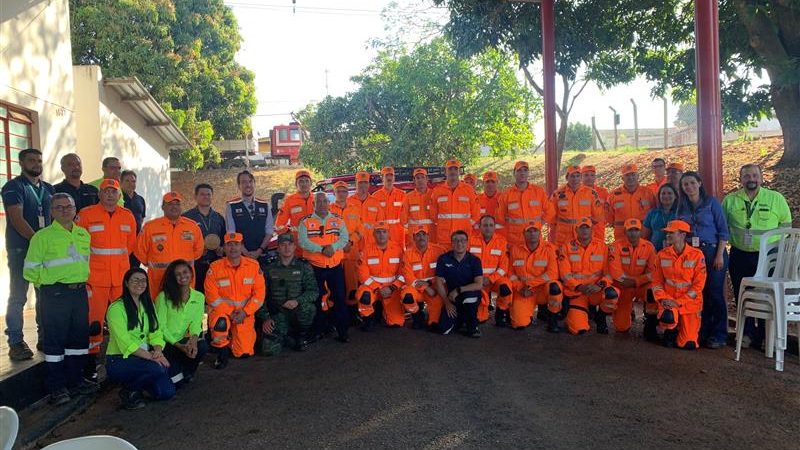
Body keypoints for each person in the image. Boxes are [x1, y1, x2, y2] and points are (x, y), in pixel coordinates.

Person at [23, 192, 97, 405]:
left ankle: (75, 381)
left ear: (75, 210)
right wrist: (48, 284)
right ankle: (57, 388)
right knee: (55, 341)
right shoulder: (42, 237)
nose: (65, 210)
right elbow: (30, 271)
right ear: (52, 211)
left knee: (78, 340)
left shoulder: (83, 234)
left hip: (79, 293)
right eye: (59, 207)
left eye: (68, 206)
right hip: (55, 294)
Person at [722, 163, 792, 349]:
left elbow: (786, 225)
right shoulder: (730, 200)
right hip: (740, 255)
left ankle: (764, 335)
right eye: (746, 176)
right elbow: (723, 228)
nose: (751, 179)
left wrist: (780, 251)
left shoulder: (775, 198)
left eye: (754, 175)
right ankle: (746, 333)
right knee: (742, 293)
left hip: (769, 256)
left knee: (765, 294)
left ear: (761, 177)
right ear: (741, 178)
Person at [76, 179, 137, 382]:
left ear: (119, 195)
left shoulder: (127, 217)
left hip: (120, 279)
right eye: (106, 191)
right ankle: (90, 365)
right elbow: (78, 247)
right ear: (99, 194)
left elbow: (129, 247)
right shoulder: (86, 215)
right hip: (96, 279)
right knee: (94, 323)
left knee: (124, 320)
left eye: (114, 192)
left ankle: (127, 357)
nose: (110, 195)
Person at [2, 148, 54, 360]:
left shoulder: (49, 188)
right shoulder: (13, 187)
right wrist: (39, 243)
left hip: (45, 252)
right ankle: (16, 342)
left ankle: (44, 337)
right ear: (22, 163)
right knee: (18, 296)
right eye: (31, 160)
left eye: (39, 160)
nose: (36, 164)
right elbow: (17, 219)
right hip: (21, 250)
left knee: (44, 295)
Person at [105, 268, 175, 410]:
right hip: (120, 359)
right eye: (135, 280)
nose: (140, 283)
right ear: (126, 283)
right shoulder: (116, 309)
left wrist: (158, 351)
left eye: (143, 280)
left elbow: (155, 332)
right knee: (157, 369)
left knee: (167, 392)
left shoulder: (147, 305)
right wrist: (152, 357)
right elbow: (125, 343)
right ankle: (129, 390)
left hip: (143, 357)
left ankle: (140, 386)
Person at [676, 171, 729, 349]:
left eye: (692, 183)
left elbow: (723, 230)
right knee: (699, 293)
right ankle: (703, 330)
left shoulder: (711, 202)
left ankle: (720, 333)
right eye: (685, 184)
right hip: (692, 254)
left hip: (713, 252)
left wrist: (720, 254)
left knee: (714, 292)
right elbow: (679, 230)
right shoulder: (681, 206)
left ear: (699, 183)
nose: (689, 187)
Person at [204, 232, 266, 368]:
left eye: (236, 244)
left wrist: (245, 312)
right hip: (223, 313)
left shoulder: (253, 266)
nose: (233, 248)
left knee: (244, 352)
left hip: (244, 314)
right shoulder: (214, 268)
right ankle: (222, 352)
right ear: (224, 248)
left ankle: (232, 341)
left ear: (242, 246)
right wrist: (230, 312)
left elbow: (259, 295)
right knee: (220, 323)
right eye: (229, 245)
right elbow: (211, 297)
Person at [297, 192, 350, 342]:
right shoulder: (305, 222)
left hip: (335, 266)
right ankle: (317, 331)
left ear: (328, 203)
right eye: (318, 202)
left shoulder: (338, 220)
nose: (321, 204)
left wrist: (332, 248)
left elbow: (344, 238)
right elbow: (302, 242)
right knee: (316, 299)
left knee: (339, 298)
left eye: (324, 201)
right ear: (313, 205)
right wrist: (321, 249)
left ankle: (342, 331)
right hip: (315, 267)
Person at [135, 192, 204, 299]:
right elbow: (139, 251)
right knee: (159, 308)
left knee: (184, 308)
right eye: (170, 204)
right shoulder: (150, 227)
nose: (174, 207)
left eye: (177, 204)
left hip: (184, 278)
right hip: (159, 279)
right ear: (163, 207)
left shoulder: (192, 226)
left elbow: (198, 251)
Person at [557, 218, 620, 335]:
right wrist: (579, 286)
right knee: (578, 329)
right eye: (581, 227)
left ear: (592, 230)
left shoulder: (603, 247)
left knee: (612, 294)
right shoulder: (566, 247)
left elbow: (610, 273)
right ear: (576, 230)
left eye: (587, 228)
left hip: (597, 291)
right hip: (578, 292)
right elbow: (565, 274)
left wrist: (600, 285)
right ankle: (574, 314)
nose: (584, 230)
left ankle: (600, 317)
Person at [259, 233, 319, 355]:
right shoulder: (269, 268)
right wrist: (266, 318)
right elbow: (260, 296)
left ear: (294, 247)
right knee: (268, 350)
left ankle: (300, 336)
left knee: (308, 308)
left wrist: (297, 301)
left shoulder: (303, 266)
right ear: (278, 248)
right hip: (277, 313)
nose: (287, 248)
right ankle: (286, 337)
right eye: (283, 245)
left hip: (297, 310)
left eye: (290, 244)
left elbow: (313, 291)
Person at [651, 220, 707, 349]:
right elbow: (656, 282)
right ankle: (670, 330)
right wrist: (663, 298)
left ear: (682, 235)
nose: (668, 236)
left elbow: (698, 286)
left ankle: (680, 330)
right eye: (667, 233)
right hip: (668, 302)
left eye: (671, 233)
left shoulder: (697, 256)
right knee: (669, 318)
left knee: (689, 345)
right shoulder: (662, 255)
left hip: (689, 304)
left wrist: (680, 302)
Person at [154, 260, 207, 386]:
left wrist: (193, 340)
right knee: (177, 384)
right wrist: (178, 345)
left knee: (202, 346)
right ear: (173, 278)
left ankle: (187, 371)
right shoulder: (163, 297)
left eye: (185, 272)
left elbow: (196, 322)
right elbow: (160, 327)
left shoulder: (199, 297)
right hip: (165, 345)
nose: (182, 276)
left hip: (182, 342)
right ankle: (177, 371)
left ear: (191, 274)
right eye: (177, 274)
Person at [507, 221, 562, 332]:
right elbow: (510, 274)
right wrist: (520, 288)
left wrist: (530, 284)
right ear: (524, 233)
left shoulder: (550, 249)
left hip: (542, 290)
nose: (532, 234)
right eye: (529, 231)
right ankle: (527, 315)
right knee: (519, 323)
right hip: (523, 291)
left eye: (535, 231)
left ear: (540, 233)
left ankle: (553, 318)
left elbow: (553, 273)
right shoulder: (515, 249)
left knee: (555, 287)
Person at [608, 219, 658, 336]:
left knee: (654, 291)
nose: (633, 233)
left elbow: (653, 273)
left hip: (641, 285)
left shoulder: (649, 247)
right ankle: (623, 314)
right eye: (630, 230)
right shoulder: (616, 246)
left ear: (640, 232)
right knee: (621, 327)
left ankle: (650, 324)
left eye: (636, 230)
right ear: (625, 231)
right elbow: (615, 271)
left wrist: (637, 281)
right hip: (623, 286)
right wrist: (626, 281)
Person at [356, 222, 406, 329]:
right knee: (364, 295)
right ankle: (368, 319)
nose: (381, 235)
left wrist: (392, 287)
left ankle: (383, 312)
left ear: (389, 234)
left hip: (392, 288)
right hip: (372, 288)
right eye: (378, 232)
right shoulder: (366, 251)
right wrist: (378, 288)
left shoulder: (398, 250)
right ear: (373, 234)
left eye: (384, 232)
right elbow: (363, 275)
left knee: (397, 323)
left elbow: (404, 274)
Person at [434, 230, 484, 337]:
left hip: (468, 294)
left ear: (467, 243)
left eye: (462, 240)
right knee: (443, 329)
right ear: (451, 243)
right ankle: (460, 318)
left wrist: (459, 290)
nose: (459, 244)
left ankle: (472, 327)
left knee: (469, 298)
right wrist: (447, 302)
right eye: (456, 241)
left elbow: (479, 284)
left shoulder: (474, 260)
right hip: (451, 298)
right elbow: (438, 282)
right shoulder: (443, 259)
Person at [496, 160, 555, 248]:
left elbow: (551, 211)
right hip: (514, 242)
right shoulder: (506, 195)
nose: (522, 173)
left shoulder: (539, 192)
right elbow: (500, 219)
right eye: (519, 170)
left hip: (535, 240)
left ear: (528, 173)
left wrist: (539, 224)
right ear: (514, 173)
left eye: (525, 170)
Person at [468, 215, 512, 326]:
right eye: (485, 225)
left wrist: (491, 279)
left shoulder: (501, 242)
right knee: (480, 319)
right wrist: (477, 279)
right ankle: (482, 310)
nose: (488, 228)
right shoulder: (471, 240)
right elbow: (466, 263)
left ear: (494, 227)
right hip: (476, 280)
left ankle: (501, 312)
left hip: (494, 280)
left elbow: (503, 267)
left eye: (491, 225)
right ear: (479, 227)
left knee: (505, 287)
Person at [183, 183, 226, 293]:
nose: (206, 197)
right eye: (202, 194)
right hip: (194, 266)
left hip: (215, 265)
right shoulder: (186, 218)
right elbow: (181, 242)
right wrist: (196, 251)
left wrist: (222, 249)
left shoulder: (219, 218)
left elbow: (225, 240)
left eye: (208, 194)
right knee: (196, 296)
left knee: (215, 295)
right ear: (195, 197)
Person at [400, 226, 446, 329]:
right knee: (407, 296)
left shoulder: (439, 251)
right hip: (416, 289)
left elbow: (444, 274)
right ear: (413, 237)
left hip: (434, 288)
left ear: (428, 236)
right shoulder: (407, 254)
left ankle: (433, 319)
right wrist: (425, 287)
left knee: (435, 324)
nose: (421, 237)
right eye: (418, 235)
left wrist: (430, 283)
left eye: (424, 234)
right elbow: (408, 277)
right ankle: (417, 317)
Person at [225, 170, 274, 264]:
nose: (248, 185)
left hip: (262, 255)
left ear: (254, 183)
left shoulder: (265, 205)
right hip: (241, 257)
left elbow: (269, 231)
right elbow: (231, 233)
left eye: (250, 181)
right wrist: (246, 252)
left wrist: (259, 251)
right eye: (244, 182)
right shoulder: (231, 206)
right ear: (239, 186)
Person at [428, 159, 480, 246]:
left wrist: (466, 225)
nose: (453, 171)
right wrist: (443, 225)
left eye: (455, 169)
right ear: (445, 171)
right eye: (450, 169)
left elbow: (476, 214)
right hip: (444, 238)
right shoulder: (437, 191)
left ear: (459, 172)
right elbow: (433, 215)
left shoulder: (468, 190)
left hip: (463, 238)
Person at [550, 165, 605, 245]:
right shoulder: (557, 194)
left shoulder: (591, 194)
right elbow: (551, 217)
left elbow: (597, 216)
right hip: (564, 237)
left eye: (577, 176)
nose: (575, 179)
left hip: (584, 236)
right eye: (572, 176)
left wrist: (586, 227)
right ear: (567, 178)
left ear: (581, 178)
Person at [330, 181, 363, 308]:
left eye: (344, 191)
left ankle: (353, 313)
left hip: (351, 253)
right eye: (338, 191)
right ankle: (339, 313)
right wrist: (340, 243)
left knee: (352, 286)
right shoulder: (329, 210)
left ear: (347, 193)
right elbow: (327, 231)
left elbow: (360, 230)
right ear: (334, 193)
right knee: (337, 286)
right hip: (335, 255)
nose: (341, 194)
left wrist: (350, 241)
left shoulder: (355, 209)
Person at [606, 164, 656, 240]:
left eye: (633, 174)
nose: (630, 178)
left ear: (638, 176)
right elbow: (609, 217)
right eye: (627, 175)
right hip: (622, 237)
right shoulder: (613, 195)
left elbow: (654, 213)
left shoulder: (648, 193)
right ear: (622, 178)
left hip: (644, 236)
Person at [274, 169, 313, 247]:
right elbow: (279, 225)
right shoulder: (289, 201)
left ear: (311, 183)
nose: (304, 184)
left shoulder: (318, 200)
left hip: (316, 246)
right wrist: (289, 234)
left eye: (306, 181)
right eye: (301, 181)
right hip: (297, 246)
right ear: (296, 184)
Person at [371, 166, 406, 246]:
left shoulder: (402, 195)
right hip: (381, 234)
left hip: (398, 234)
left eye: (391, 175)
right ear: (382, 178)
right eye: (387, 175)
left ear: (394, 178)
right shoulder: (375, 196)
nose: (389, 178)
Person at [400, 168, 433, 247]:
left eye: (422, 177)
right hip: (414, 239)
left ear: (427, 179)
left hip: (431, 238)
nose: (420, 180)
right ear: (414, 180)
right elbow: (403, 220)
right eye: (417, 178)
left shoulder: (434, 195)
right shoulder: (408, 197)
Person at [642, 183, 679, 252]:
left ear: (675, 196)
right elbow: (644, 236)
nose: (666, 196)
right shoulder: (652, 213)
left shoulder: (680, 213)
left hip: (676, 251)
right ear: (659, 196)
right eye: (663, 193)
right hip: (655, 251)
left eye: (669, 193)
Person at [121, 170, 146, 268]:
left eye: (133, 181)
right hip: (123, 241)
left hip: (137, 243)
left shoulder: (140, 199)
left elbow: (142, 218)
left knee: (135, 269)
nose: (130, 184)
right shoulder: (118, 198)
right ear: (121, 182)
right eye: (127, 181)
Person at [477, 171, 502, 235]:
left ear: (497, 183)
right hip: (481, 238)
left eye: (493, 181)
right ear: (483, 183)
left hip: (500, 238)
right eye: (487, 182)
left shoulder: (504, 198)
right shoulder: (477, 200)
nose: (490, 184)